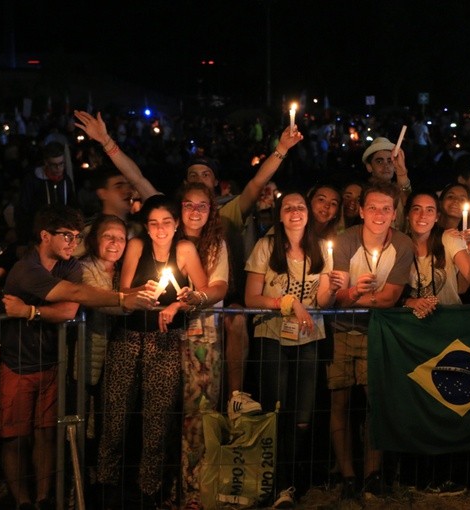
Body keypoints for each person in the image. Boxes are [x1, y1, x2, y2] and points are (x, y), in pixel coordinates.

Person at [73, 109, 303, 418]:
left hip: (204, 323)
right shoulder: (168, 218)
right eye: (192, 177)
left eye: (205, 176)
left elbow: (255, 183)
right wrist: (105, 140)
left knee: (201, 407)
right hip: (164, 326)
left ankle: (232, 404)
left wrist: (282, 149)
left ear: (215, 187)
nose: (198, 182)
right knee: (162, 408)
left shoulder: (227, 215)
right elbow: (137, 178)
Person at [0, 205, 154, 510]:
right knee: (16, 436)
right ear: (45, 236)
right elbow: (77, 294)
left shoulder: (68, 265)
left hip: (51, 362)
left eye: (75, 236)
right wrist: (124, 298)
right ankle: (22, 502)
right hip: (18, 363)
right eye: (66, 236)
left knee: (46, 434)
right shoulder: (26, 268)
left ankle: (44, 499)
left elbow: (69, 309)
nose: (72, 242)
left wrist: (29, 311)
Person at [97, 194, 211, 508]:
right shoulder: (135, 246)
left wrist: (182, 300)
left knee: (157, 420)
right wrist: (141, 292)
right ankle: (107, 487)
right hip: (128, 337)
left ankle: (151, 491)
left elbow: (203, 291)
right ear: (146, 227)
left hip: (165, 341)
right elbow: (123, 290)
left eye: (166, 223)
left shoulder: (185, 250)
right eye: (153, 223)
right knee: (115, 415)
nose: (160, 229)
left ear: (176, 225)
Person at [244, 191, 336, 507]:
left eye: (300, 207)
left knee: (302, 414)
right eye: (288, 207)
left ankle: (290, 481)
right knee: (273, 408)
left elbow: (323, 301)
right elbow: (251, 297)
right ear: (280, 215)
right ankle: (274, 483)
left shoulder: (322, 249)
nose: (295, 212)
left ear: (308, 213)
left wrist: (333, 289)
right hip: (271, 335)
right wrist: (287, 302)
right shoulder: (266, 247)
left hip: (309, 338)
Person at [329, 183, 414, 500]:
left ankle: (373, 473)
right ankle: (348, 475)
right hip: (341, 329)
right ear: (361, 210)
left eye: (386, 209)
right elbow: (338, 296)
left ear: (394, 213)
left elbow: (390, 298)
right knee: (340, 402)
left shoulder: (402, 244)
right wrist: (353, 294)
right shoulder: (345, 240)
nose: (379, 215)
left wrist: (356, 295)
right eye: (373, 208)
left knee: (375, 402)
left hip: (377, 331)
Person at [176, 182, 229, 508]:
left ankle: (195, 490)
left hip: (203, 337)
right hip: (166, 338)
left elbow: (220, 287)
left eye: (202, 206)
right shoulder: (167, 240)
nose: (194, 212)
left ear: (211, 211)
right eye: (188, 205)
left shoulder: (215, 246)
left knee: (199, 415)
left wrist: (199, 296)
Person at [76, 214, 129, 482]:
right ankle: (79, 480)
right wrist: (131, 301)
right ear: (95, 239)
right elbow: (99, 300)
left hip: (116, 354)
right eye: (108, 236)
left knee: (109, 420)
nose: (115, 242)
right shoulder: (84, 268)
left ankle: (104, 476)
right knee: (82, 418)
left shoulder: (124, 270)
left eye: (120, 238)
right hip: (87, 355)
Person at [402, 190, 470, 317]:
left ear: (437, 217)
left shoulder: (449, 239)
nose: (423, 216)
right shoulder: (399, 245)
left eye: (430, 210)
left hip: (449, 319)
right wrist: (409, 301)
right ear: (407, 214)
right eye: (417, 209)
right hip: (412, 324)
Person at [16, 141, 78, 247]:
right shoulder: (33, 181)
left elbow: (72, 206)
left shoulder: (65, 181)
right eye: (54, 165)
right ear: (46, 163)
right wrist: (24, 240)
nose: (59, 169)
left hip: (61, 235)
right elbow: (23, 210)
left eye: (61, 164)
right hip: (38, 236)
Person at [361, 136, 411, 229]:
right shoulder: (363, 195)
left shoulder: (398, 192)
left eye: (390, 161)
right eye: (379, 161)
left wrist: (401, 171)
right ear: (369, 167)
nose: (386, 166)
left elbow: (409, 204)